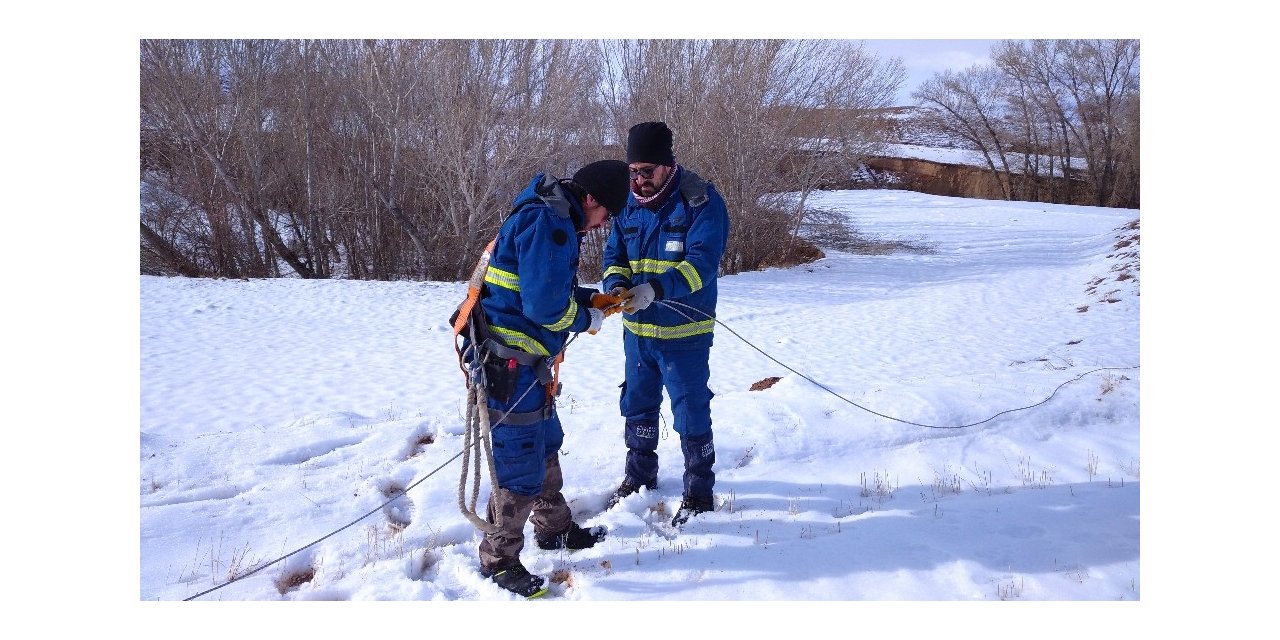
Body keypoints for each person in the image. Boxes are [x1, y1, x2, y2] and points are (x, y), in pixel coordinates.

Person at [469, 159, 631, 598]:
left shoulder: (550, 214)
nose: (602, 225)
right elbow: (544, 308)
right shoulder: (552, 224)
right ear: (592, 199)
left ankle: (554, 529)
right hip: (510, 365)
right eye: (605, 215)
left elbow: (541, 287)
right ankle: (499, 559)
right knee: (520, 460)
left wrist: (591, 299)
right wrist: (587, 318)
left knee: (544, 445)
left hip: (527, 364)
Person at [602, 122, 730, 528]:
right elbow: (613, 255)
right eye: (633, 171)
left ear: (668, 164)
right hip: (637, 334)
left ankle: (698, 491)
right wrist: (617, 284)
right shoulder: (626, 204)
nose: (639, 180)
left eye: (647, 171)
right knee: (637, 405)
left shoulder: (700, 201)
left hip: (685, 336)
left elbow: (702, 267)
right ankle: (639, 477)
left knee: (691, 411)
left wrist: (657, 289)